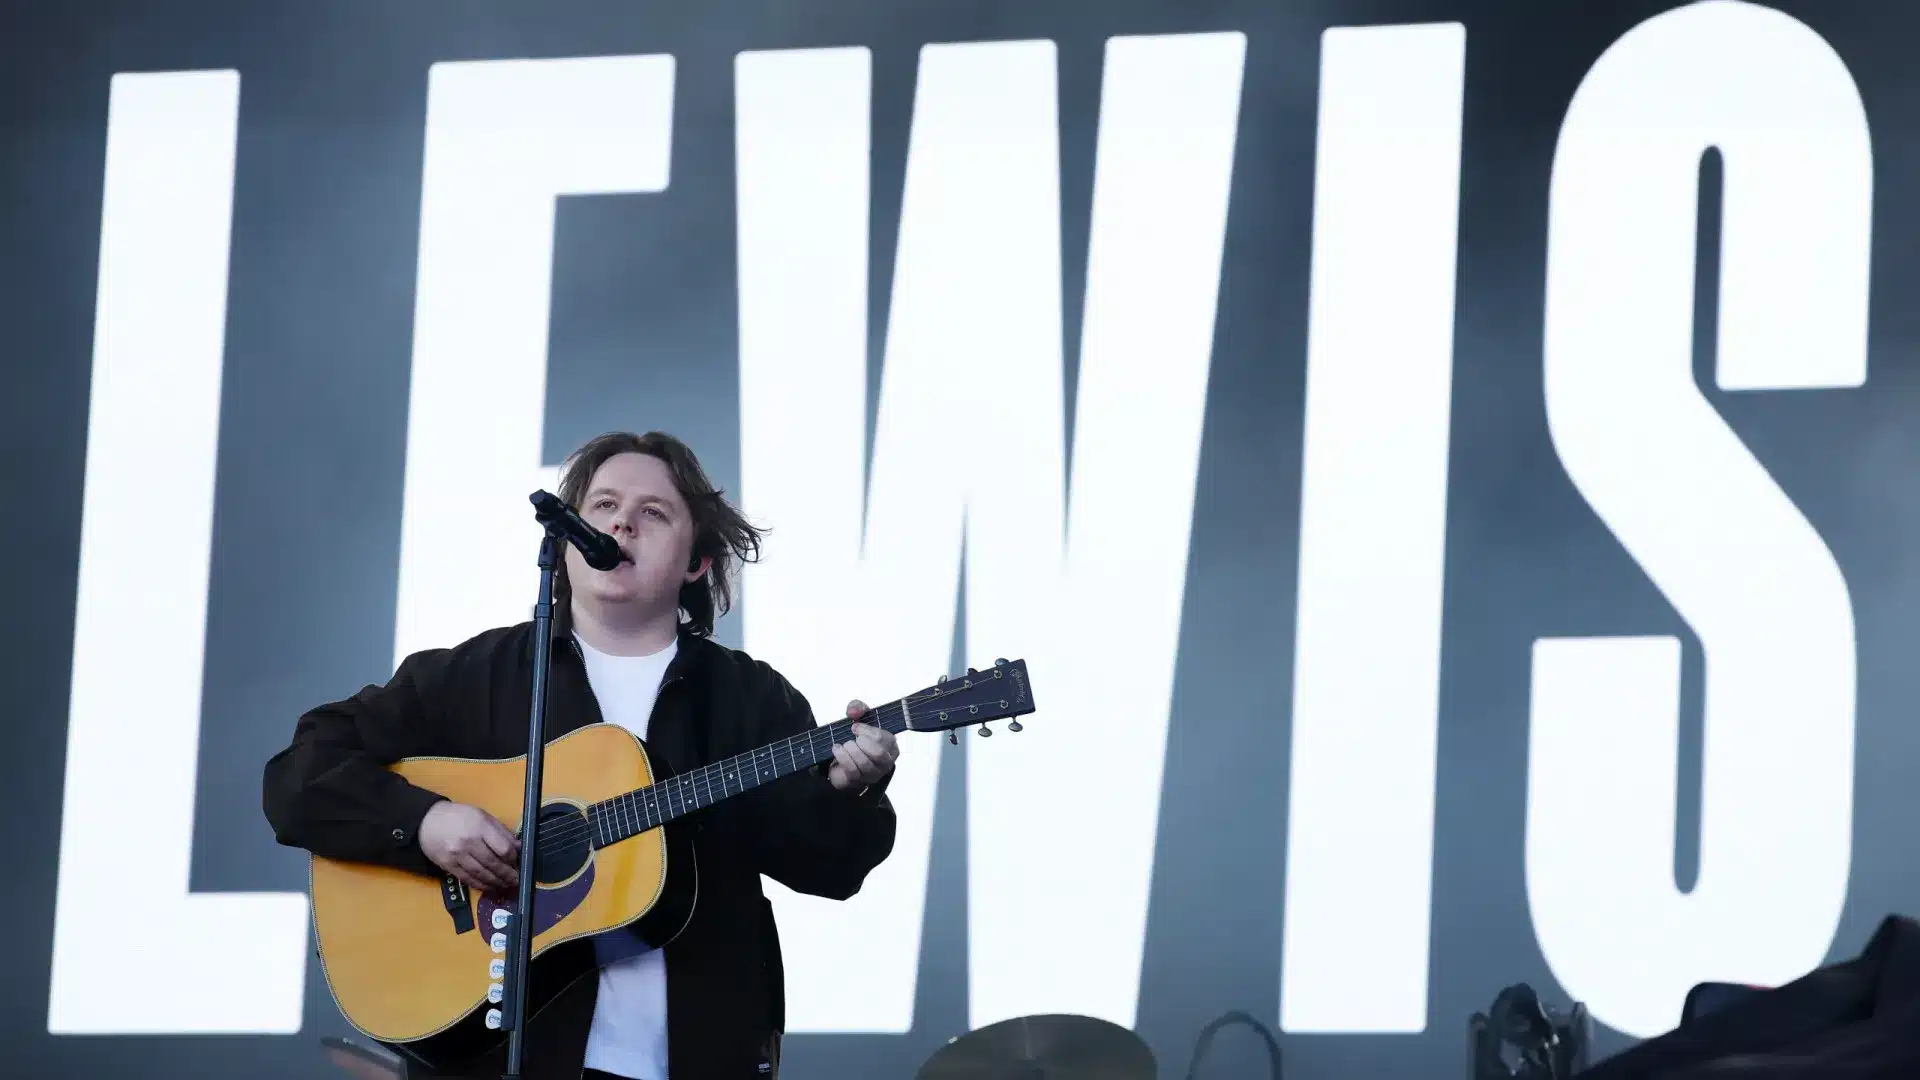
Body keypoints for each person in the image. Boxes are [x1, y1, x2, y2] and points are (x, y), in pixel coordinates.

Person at [263, 431, 901, 1080]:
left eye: (654, 513)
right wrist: (425, 822)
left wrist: (852, 791)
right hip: (513, 1060)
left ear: (697, 564)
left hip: (701, 1055)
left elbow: (831, 868)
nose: (622, 520)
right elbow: (299, 775)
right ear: (567, 538)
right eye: (601, 506)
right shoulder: (478, 677)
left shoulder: (750, 699)